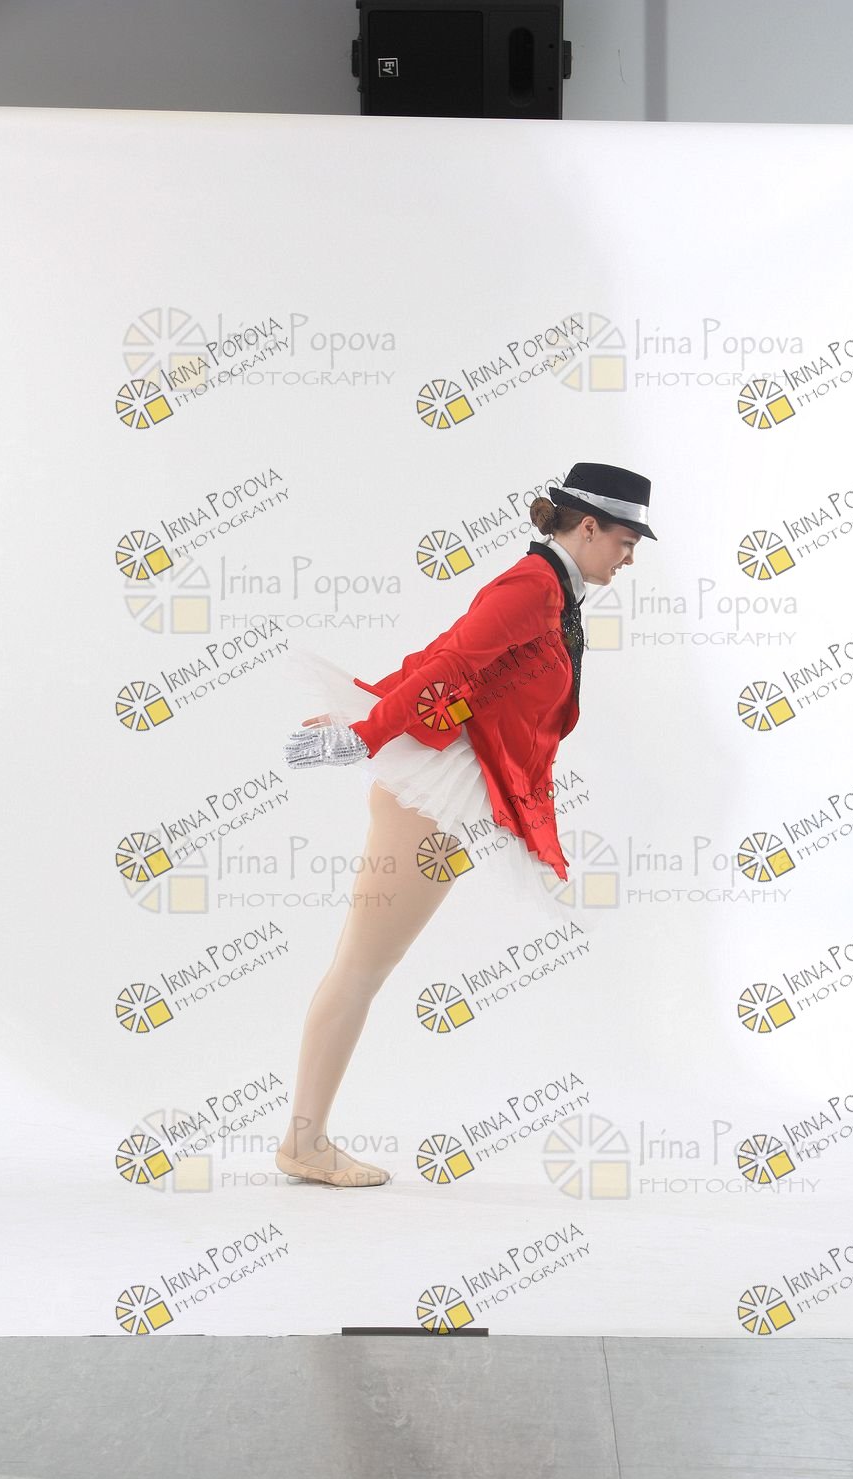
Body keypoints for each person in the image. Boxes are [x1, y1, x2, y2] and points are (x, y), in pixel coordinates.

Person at [276, 462, 657, 1187]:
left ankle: (306, 1137)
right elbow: (450, 661)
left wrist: (375, 713)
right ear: (589, 527)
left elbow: (453, 657)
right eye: (626, 541)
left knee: (364, 965)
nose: (630, 557)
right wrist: (366, 733)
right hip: (433, 796)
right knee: (362, 967)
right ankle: (305, 1142)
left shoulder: (552, 590)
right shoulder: (532, 586)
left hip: (447, 790)